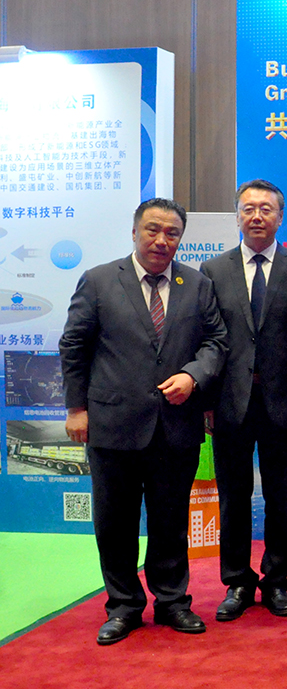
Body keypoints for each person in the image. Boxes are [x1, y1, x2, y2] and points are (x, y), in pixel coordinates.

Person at [60, 198, 228, 645]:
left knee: (170, 521)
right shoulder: (99, 280)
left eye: (172, 233)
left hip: (176, 425)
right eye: (153, 230)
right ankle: (123, 606)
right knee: (114, 523)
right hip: (112, 424)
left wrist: (193, 375)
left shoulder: (196, 284)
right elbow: (73, 345)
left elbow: (216, 342)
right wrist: (76, 409)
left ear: (180, 239)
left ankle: (172, 601)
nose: (161, 240)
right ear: (134, 232)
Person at [200, 179, 287, 621]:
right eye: (248, 208)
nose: (257, 216)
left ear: (280, 217)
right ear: (237, 216)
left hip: (282, 401)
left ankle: (276, 581)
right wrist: (206, 401)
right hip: (229, 403)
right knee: (233, 497)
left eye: (266, 209)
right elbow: (205, 337)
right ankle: (238, 582)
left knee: (281, 496)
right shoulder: (212, 270)